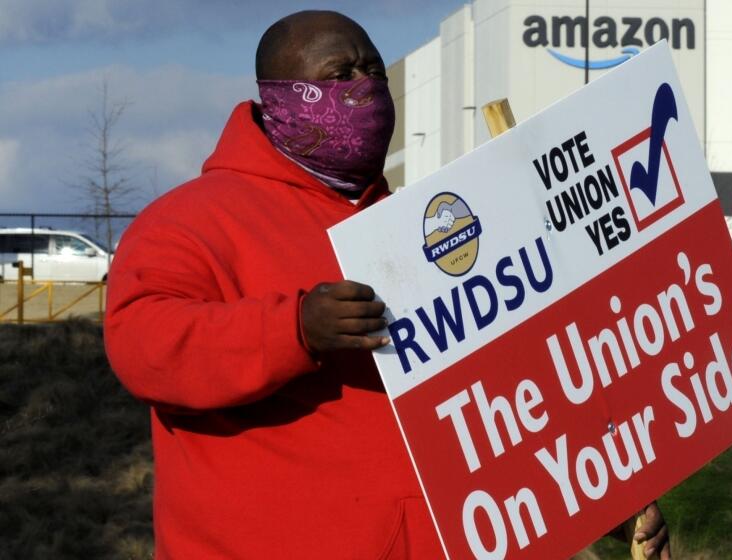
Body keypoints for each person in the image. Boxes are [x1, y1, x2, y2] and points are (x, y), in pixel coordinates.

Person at [104, 10, 670, 559]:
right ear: (277, 98)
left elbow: (495, 406)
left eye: (374, 71)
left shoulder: (412, 228)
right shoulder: (190, 221)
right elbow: (143, 344)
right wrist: (293, 329)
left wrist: (600, 498)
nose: (365, 86)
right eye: (340, 73)